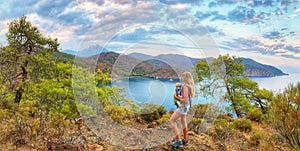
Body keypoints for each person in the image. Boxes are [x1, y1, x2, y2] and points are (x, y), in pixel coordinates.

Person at [170, 72, 195, 147]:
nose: (182, 78)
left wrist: (176, 97)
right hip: (186, 107)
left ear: (186, 78)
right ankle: (185, 140)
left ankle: (178, 141)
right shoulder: (190, 86)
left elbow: (185, 100)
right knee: (183, 122)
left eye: (183, 77)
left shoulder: (185, 87)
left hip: (182, 107)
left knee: (172, 120)